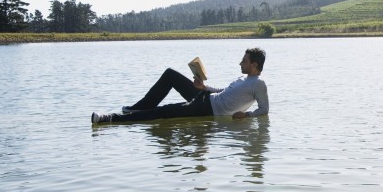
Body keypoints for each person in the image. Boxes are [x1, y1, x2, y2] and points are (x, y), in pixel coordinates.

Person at [91, 47, 268, 124]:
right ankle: (137, 109)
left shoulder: (258, 84)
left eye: (244, 61)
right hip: (204, 97)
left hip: (207, 109)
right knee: (170, 74)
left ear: (254, 65)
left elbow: (264, 109)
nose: (240, 63)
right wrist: (203, 87)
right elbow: (222, 92)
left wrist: (247, 115)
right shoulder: (241, 79)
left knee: (164, 111)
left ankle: (110, 118)